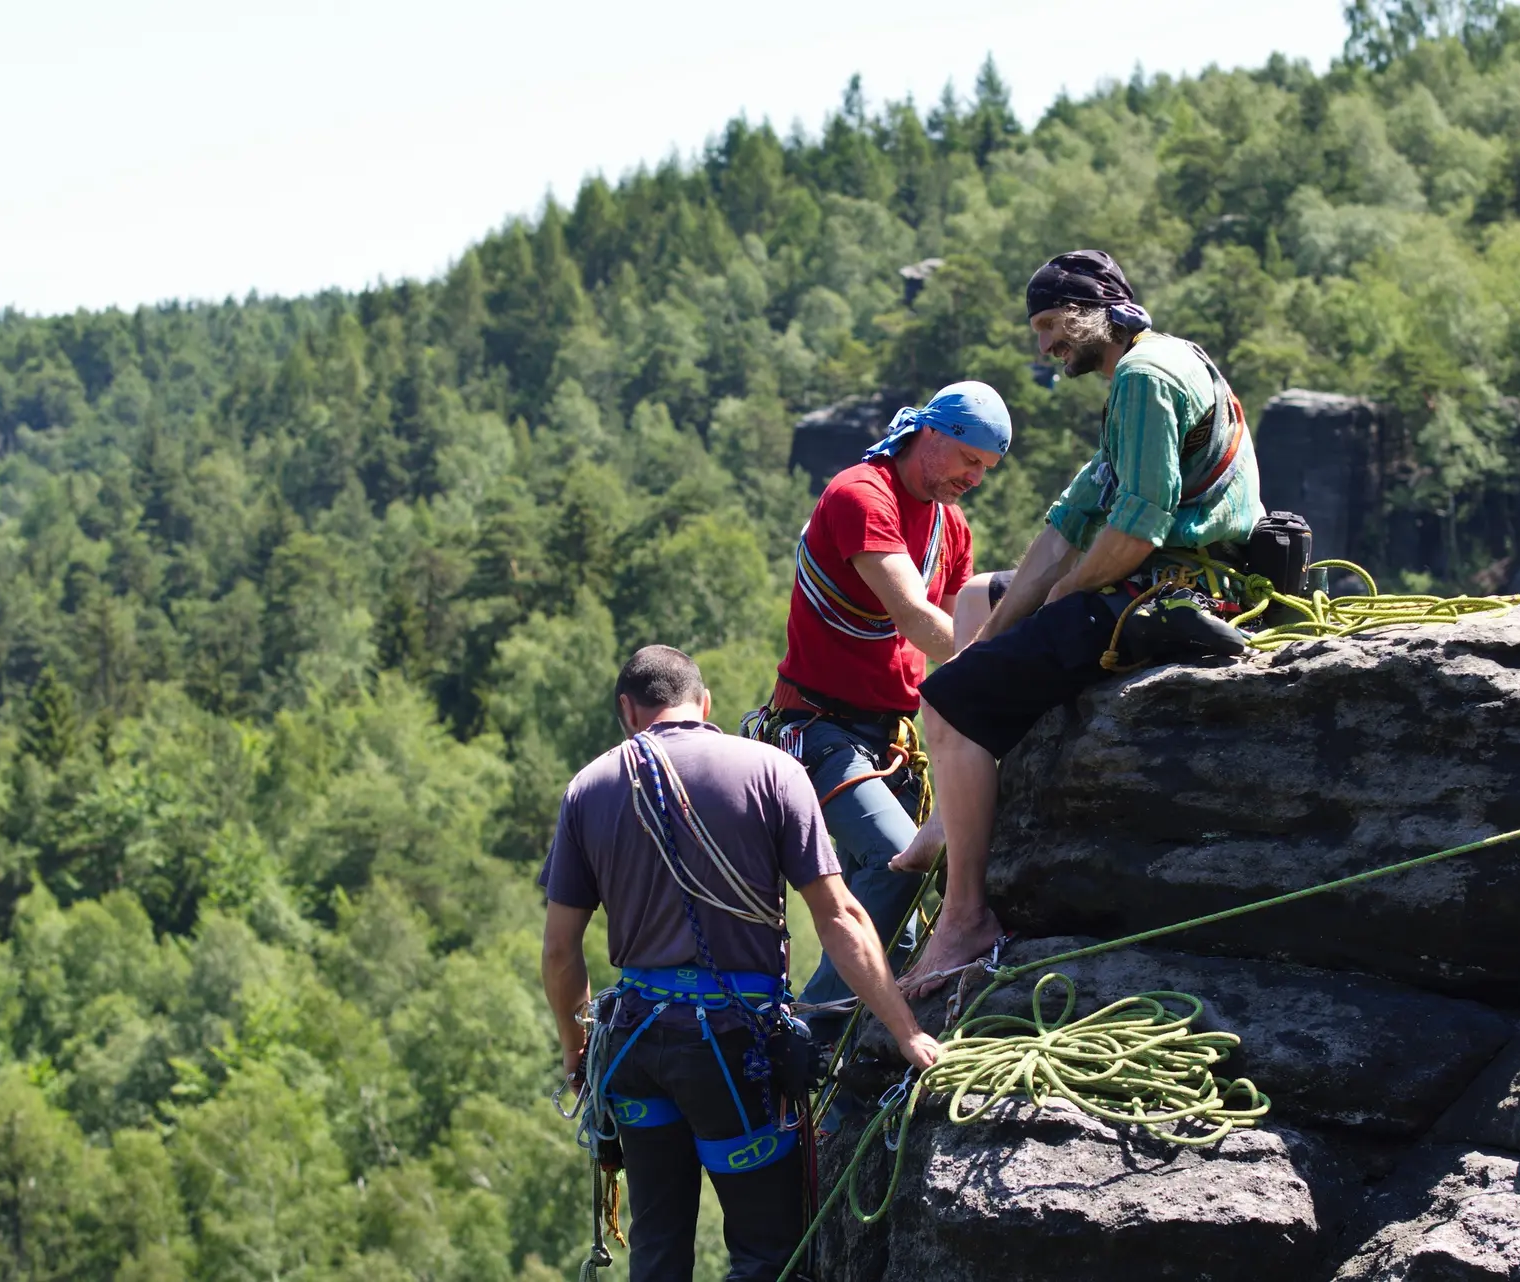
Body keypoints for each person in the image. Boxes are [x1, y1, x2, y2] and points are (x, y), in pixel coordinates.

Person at [894, 249, 1265, 993]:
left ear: (1092, 309)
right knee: (980, 600)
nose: (1044, 347)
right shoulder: (1163, 362)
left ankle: (965, 918)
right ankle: (952, 814)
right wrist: (990, 642)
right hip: (1160, 577)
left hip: (1166, 593)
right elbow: (1068, 527)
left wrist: (1064, 596)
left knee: (946, 702)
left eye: (1049, 325)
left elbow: (1137, 528)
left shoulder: (1143, 379)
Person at [541, 645, 941, 1282]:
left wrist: (575, 1052)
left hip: (635, 1047)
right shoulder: (772, 772)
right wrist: (906, 1030)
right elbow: (840, 917)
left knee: (656, 1250)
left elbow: (561, 951)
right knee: (768, 1257)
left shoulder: (588, 788)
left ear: (628, 711)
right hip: (732, 1048)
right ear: (705, 705)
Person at [753, 381, 1010, 1019]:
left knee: (910, 909)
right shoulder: (862, 497)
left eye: (986, 468)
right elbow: (919, 620)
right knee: (898, 863)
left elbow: (955, 634)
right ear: (932, 435)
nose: (975, 479)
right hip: (820, 728)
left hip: (891, 737)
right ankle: (815, 1031)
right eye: (969, 460)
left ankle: (865, 1035)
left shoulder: (950, 527)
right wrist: (1011, 671)